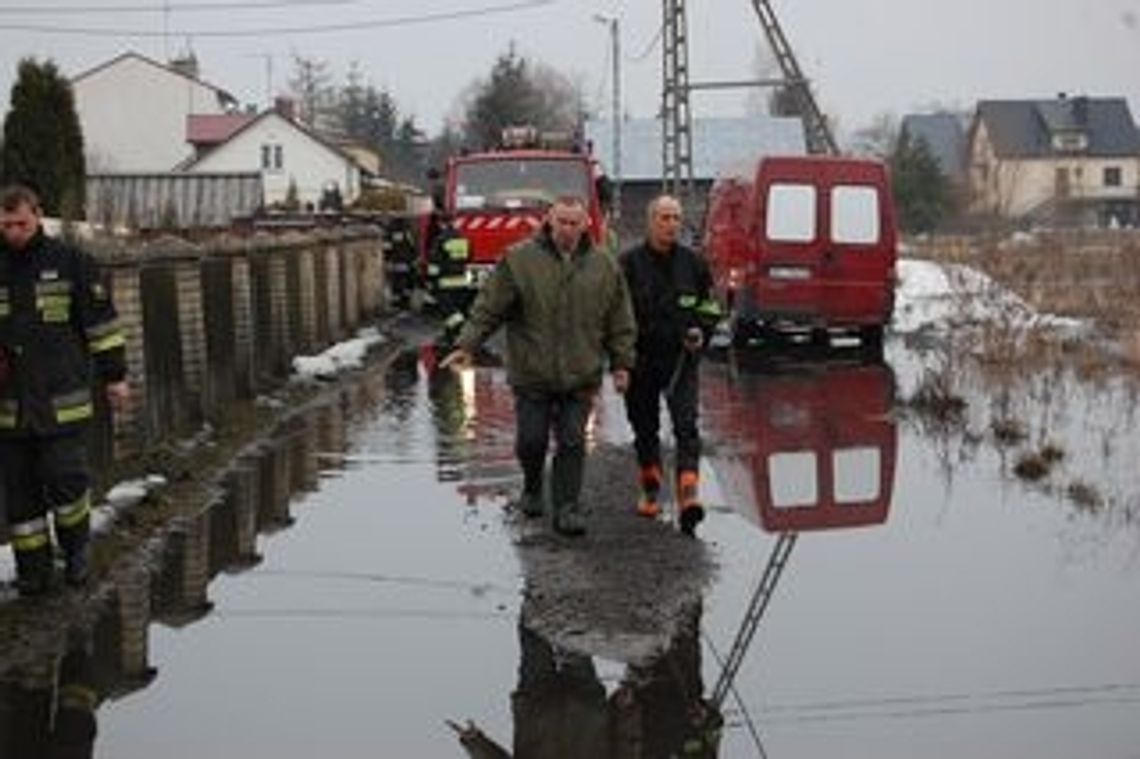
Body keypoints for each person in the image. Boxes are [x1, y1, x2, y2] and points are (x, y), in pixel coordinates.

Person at [441, 195, 635, 536]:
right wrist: (466, 345)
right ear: (549, 221)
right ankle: (532, 485)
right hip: (533, 371)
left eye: (575, 223)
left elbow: (619, 319)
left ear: (586, 224)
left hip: (581, 372)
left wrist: (622, 363)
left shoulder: (604, 265)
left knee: (573, 441)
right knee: (531, 441)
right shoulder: (519, 260)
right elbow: (490, 308)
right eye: (562, 222)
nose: (568, 229)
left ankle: (567, 509)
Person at [0, 184, 129, 597]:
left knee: (66, 483)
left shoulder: (71, 263)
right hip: (10, 407)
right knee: (21, 502)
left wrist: (115, 378)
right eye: (5, 225)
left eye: (20, 223)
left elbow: (102, 327)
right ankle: (33, 573)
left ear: (37, 215)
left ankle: (76, 553)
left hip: (62, 402)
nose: (14, 232)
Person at [620, 195, 722, 537]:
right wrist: (618, 359)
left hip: (682, 358)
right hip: (641, 360)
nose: (671, 224)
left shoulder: (694, 264)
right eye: (664, 217)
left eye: (676, 217)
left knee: (686, 426)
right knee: (645, 428)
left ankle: (688, 494)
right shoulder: (629, 264)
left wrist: (701, 332)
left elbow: (710, 307)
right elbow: (614, 316)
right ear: (650, 222)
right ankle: (651, 486)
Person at [425, 209, 472, 349]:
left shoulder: (441, 240)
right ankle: (451, 334)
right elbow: (469, 257)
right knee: (458, 309)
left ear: (441, 223)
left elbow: (434, 264)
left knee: (449, 312)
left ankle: (457, 333)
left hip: (445, 282)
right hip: (462, 280)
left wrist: (430, 280)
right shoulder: (463, 238)